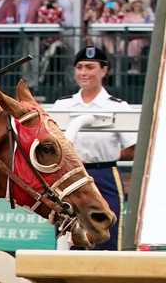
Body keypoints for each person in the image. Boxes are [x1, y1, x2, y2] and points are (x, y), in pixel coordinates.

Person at [52, 46, 136, 251]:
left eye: (90, 67)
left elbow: (134, 148)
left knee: (109, 230)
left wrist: (110, 154)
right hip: (69, 176)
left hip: (104, 173)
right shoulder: (63, 105)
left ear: (104, 70)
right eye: (79, 67)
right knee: (69, 232)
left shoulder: (118, 106)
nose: (83, 72)